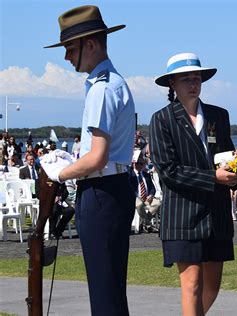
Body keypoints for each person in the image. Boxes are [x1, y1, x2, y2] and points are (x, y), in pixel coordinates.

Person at [44, 5, 136, 315]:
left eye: (71, 48)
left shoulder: (102, 88)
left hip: (102, 192)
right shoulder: (110, 83)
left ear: (91, 44)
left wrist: (60, 173)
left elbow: (97, 158)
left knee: (104, 293)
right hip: (111, 188)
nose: (67, 57)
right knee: (109, 288)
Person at [149, 52, 237, 315]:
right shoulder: (162, 119)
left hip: (217, 213)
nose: (193, 83)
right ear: (172, 84)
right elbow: (169, 171)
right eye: (186, 79)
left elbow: (229, 155)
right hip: (182, 215)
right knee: (191, 284)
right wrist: (214, 177)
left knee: (212, 286)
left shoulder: (218, 116)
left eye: (197, 78)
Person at [128, 152, 160, 233]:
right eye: (137, 163)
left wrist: (151, 195)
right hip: (136, 197)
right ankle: (148, 225)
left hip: (147, 197)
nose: (139, 165)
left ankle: (144, 223)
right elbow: (129, 188)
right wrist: (136, 196)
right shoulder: (130, 174)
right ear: (134, 164)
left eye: (141, 163)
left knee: (157, 203)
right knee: (139, 204)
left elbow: (153, 188)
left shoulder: (146, 174)